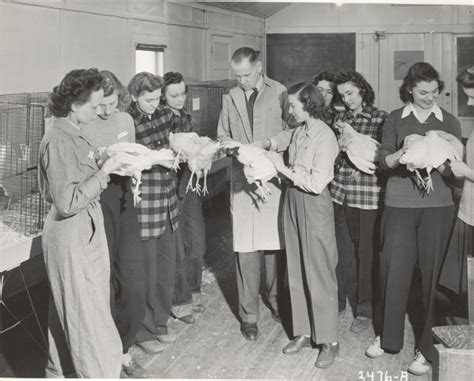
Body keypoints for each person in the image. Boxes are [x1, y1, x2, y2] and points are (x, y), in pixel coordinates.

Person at [365, 62, 462, 376]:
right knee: (393, 270)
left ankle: (426, 349)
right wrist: (403, 154)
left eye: (434, 92)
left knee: (433, 280)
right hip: (399, 204)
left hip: (438, 206)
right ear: (409, 89)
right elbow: (383, 161)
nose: (430, 97)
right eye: (423, 92)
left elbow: (454, 168)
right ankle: (388, 337)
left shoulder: (448, 120)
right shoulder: (395, 118)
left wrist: (441, 162)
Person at [39, 68, 126, 378]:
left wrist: (99, 165)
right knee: (87, 317)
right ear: (75, 104)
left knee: (68, 311)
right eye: (94, 105)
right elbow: (66, 202)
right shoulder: (60, 138)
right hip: (72, 232)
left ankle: (59, 373)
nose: (100, 110)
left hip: (80, 230)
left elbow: (76, 179)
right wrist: (104, 174)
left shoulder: (73, 130)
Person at [265, 82, 340, 368]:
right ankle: (304, 332)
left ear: (309, 104)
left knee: (319, 272)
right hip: (293, 201)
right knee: (295, 269)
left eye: (294, 105)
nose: (290, 110)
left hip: (314, 203)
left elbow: (316, 182)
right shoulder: (299, 131)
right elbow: (289, 155)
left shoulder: (325, 137)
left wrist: (282, 168)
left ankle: (329, 340)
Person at [217, 47, 290, 340]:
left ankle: (277, 303)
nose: (242, 81)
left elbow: (293, 131)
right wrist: (237, 150)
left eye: (246, 74)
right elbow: (222, 135)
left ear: (259, 67)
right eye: (237, 76)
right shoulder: (230, 97)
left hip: (272, 179)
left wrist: (269, 143)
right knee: (245, 249)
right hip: (242, 182)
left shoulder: (280, 92)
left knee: (274, 246)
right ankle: (249, 316)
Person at [80, 70, 147, 377]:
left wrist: (135, 169)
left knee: (133, 281)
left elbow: (132, 154)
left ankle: (124, 347)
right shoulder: (82, 124)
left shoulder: (125, 121)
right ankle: (105, 354)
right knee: (102, 280)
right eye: (102, 105)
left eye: (113, 102)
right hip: (97, 201)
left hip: (124, 200)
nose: (108, 111)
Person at [329, 71, 388, 331]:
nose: (346, 99)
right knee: (343, 253)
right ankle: (339, 301)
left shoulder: (380, 118)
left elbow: (382, 159)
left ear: (363, 90)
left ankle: (364, 309)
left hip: (368, 195)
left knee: (366, 253)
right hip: (341, 193)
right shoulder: (340, 119)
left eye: (350, 93)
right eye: (342, 95)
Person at [126, 71, 180, 352]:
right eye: (148, 100)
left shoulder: (164, 115)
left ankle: (160, 322)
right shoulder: (127, 121)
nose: (154, 104)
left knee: (165, 267)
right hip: (144, 204)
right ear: (134, 96)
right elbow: (125, 162)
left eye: (158, 98)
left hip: (167, 200)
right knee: (144, 272)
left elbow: (172, 145)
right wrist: (150, 159)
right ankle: (144, 331)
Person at [160, 71, 206, 324]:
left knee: (197, 242)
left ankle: (195, 292)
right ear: (163, 96)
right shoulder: (160, 118)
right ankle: (180, 303)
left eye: (182, 94)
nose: (179, 99)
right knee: (176, 246)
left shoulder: (187, 117)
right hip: (170, 186)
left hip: (189, 185)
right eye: (173, 95)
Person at [438, 66, 474, 316]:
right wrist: (451, 142)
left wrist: (466, 173)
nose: (470, 102)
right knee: (464, 286)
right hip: (469, 211)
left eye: (473, 95)